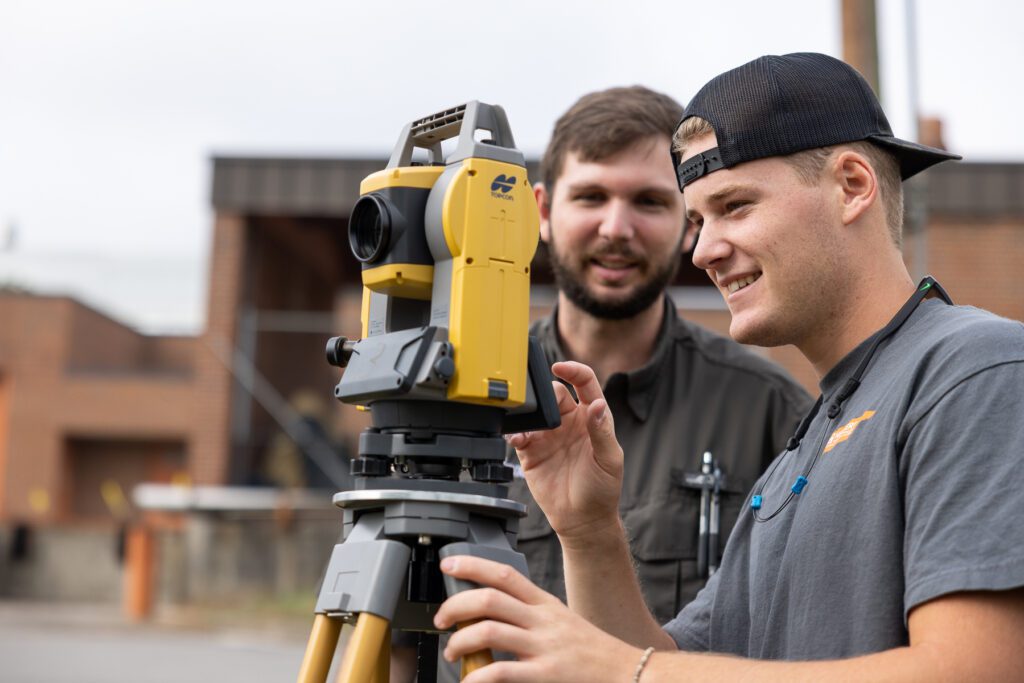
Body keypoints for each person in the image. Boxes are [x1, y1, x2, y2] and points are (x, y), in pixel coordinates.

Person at [431, 53, 1024, 681]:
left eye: (736, 205)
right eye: (697, 220)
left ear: (853, 186)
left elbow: (973, 669)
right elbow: (675, 663)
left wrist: (633, 673)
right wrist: (587, 530)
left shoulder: (974, 371)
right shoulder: (803, 448)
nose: (705, 251)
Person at [511, 85, 811, 623]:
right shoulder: (463, 391)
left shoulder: (771, 413)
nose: (616, 229)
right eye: (590, 197)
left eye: (649, 202)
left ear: (689, 222)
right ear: (543, 210)